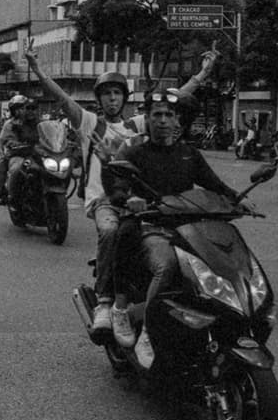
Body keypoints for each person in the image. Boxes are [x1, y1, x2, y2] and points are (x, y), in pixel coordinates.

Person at [25, 41, 218, 345]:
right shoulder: (89, 122)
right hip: (104, 200)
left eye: (117, 93)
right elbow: (61, 97)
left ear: (125, 98)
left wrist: (203, 73)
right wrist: (37, 69)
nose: (112, 99)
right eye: (106, 94)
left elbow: (176, 100)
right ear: (99, 99)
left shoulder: (139, 123)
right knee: (111, 231)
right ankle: (105, 303)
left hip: (141, 200)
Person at [107, 89, 241, 368]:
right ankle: (137, 324)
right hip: (152, 227)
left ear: (177, 119)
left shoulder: (189, 155)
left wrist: (238, 199)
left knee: (221, 265)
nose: (163, 120)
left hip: (189, 229)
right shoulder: (135, 152)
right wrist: (129, 199)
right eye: (157, 115)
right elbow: (117, 189)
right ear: (148, 119)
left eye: (169, 115)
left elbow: (215, 184)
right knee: (166, 266)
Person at [0, 94, 40, 206]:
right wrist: (2, 155)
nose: (27, 111)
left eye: (28, 108)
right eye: (21, 108)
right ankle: (9, 196)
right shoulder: (10, 124)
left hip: (36, 153)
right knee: (15, 169)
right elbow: (1, 141)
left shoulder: (38, 123)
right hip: (17, 154)